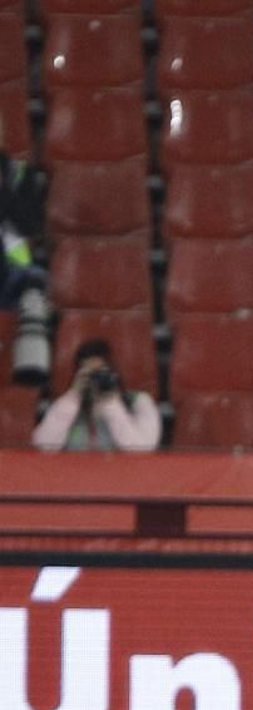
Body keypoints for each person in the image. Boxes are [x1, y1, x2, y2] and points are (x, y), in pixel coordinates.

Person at [31, 339, 160, 453]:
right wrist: (73, 396)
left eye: (100, 374)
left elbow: (142, 450)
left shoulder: (139, 402)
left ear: (114, 374)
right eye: (89, 374)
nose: (94, 380)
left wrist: (110, 403)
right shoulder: (68, 404)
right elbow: (43, 446)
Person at [0, 109, 50, 385]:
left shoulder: (21, 175)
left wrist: (2, 190)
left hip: (12, 270)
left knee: (34, 288)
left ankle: (30, 370)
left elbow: (30, 225)